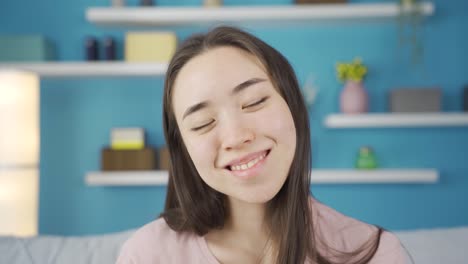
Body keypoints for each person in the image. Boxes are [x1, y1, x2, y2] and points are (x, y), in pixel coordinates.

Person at [116, 26, 409, 264]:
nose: (236, 136)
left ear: (293, 106)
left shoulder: (375, 253)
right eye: (203, 123)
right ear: (184, 151)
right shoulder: (146, 255)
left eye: (254, 102)